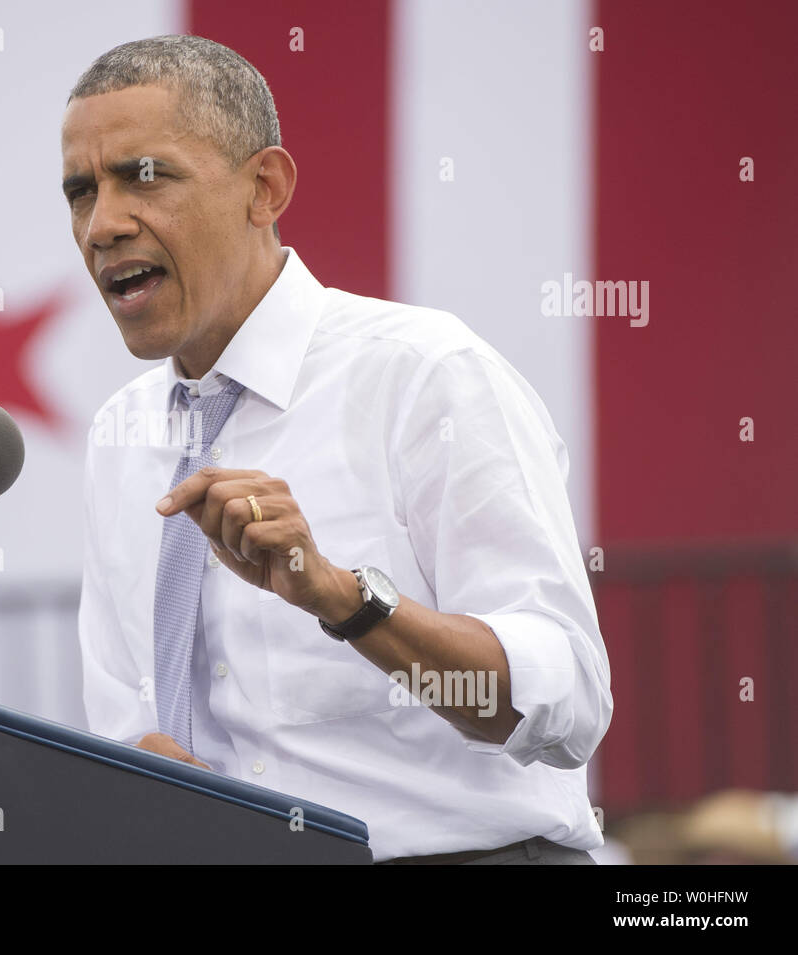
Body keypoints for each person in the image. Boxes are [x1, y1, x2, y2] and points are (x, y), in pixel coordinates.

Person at [64, 35, 612, 864]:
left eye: (145, 176)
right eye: (80, 191)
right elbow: (126, 720)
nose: (103, 224)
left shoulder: (426, 375)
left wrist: (344, 597)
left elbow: (567, 700)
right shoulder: (119, 436)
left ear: (265, 187)